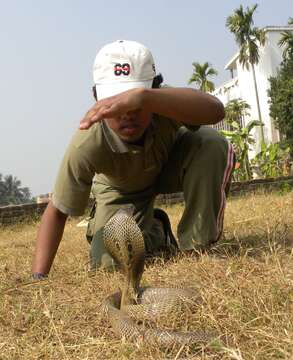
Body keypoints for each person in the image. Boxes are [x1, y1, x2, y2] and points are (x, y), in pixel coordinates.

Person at [32, 40, 234, 278]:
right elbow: (57, 210)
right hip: (121, 191)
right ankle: (156, 230)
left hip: (169, 166)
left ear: (154, 91)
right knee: (106, 259)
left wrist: (146, 97)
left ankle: (197, 247)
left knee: (210, 142)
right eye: (116, 102)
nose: (128, 114)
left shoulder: (164, 102)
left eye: (135, 103)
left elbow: (215, 111)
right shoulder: (87, 142)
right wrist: (38, 277)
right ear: (97, 98)